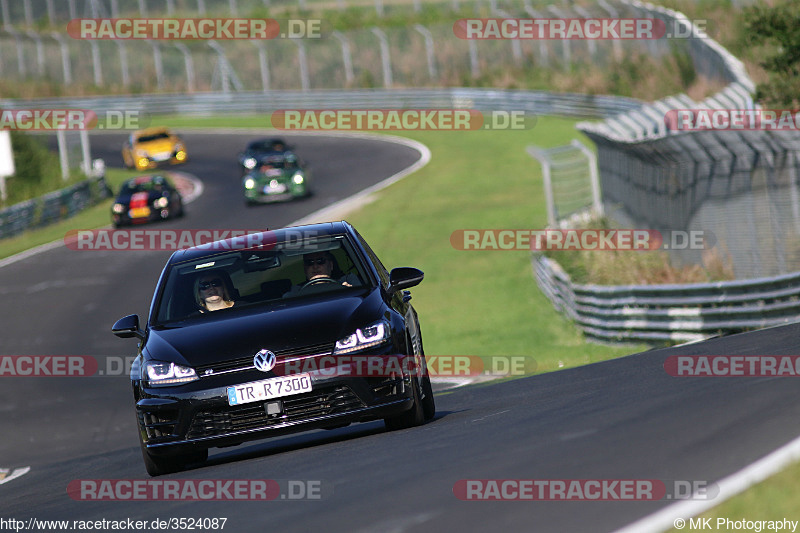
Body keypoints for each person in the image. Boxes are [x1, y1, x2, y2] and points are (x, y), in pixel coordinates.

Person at [284, 251, 359, 296]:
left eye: (320, 261)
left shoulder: (348, 280)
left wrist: (350, 291)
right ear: (305, 269)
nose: (315, 266)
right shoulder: (295, 291)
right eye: (309, 263)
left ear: (331, 265)